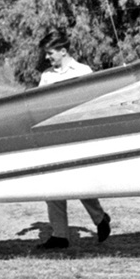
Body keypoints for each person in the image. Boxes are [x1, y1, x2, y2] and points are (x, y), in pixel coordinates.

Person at [36, 31, 112, 249]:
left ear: (63, 51)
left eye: (50, 53)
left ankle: (99, 218)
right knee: (52, 185)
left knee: (78, 183)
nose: (47, 58)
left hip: (76, 136)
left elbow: (92, 105)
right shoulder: (47, 76)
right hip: (53, 136)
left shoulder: (83, 71)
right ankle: (60, 235)